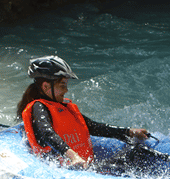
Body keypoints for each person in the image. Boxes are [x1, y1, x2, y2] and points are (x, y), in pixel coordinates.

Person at [17, 55, 150, 169]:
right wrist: (72, 156)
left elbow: (92, 126)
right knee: (135, 155)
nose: (66, 90)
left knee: (137, 152)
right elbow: (47, 133)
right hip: (68, 171)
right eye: (63, 85)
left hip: (86, 168)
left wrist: (128, 131)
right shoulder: (39, 108)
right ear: (46, 86)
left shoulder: (64, 107)